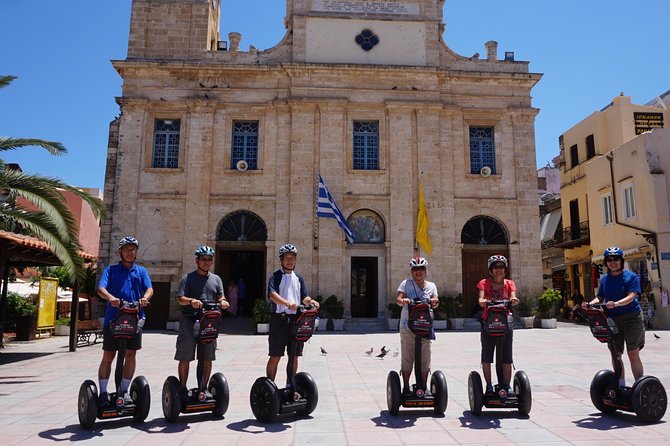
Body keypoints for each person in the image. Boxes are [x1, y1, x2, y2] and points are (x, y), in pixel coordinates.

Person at [96, 236, 154, 404]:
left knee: (131, 354)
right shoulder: (111, 270)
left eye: (133, 249)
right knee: (109, 355)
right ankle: (103, 393)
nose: (130, 252)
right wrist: (110, 298)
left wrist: (144, 298)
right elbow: (101, 288)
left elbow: (149, 288)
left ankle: (124, 390)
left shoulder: (141, 271)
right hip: (114, 318)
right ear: (120, 251)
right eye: (127, 249)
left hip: (135, 317)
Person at [584, 246, 644, 388]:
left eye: (616, 259)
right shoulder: (605, 279)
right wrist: (589, 304)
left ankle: (640, 387)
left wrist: (616, 304)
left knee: (633, 353)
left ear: (621, 260)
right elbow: (600, 297)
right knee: (616, 355)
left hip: (632, 318)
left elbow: (632, 296)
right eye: (609, 260)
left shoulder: (631, 277)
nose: (612, 262)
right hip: (612, 320)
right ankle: (620, 385)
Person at [175, 245, 228, 398]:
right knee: (185, 356)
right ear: (197, 261)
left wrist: (223, 302)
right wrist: (191, 301)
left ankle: (203, 387)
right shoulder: (188, 278)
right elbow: (180, 299)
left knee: (207, 357)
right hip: (189, 321)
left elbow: (221, 296)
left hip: (208, 322)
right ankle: (183, 389)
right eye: (203, 259)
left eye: (209, 260)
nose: (206, 262)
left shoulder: (216, 279)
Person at [266, 244, 319, 384]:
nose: (290, 261)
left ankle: (290, 384)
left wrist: (311, 301)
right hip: (279, 320)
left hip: (296, 320)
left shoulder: (299, 278)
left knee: (294, 356)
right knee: (275, 355)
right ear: (281, 260)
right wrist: (287, 304)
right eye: (287, 258)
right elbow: (272, 295)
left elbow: (304, 297)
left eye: (293, 258)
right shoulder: (275, 276)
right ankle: (270, 385)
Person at [395, 256, 439, 394]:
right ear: (411, 271)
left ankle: (423, 387)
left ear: (425, 271)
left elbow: (436, 300)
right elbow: (398, 299)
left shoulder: (431, 286)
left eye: (421, 269)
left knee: (425, 357)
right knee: (407, 356)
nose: (418, 272)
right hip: (407, 325)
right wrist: (404, 300)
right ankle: (406, 387)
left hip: (425, 325)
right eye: (415, 269)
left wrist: (434, 301)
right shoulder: (406, 284)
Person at [477, 254, 519, 396]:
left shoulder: (509, 283)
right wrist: (482, 301)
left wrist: (513, 299)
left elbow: (513, 295)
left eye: (501, 267)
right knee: (487, 355)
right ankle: (488, 385)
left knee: (507, 355)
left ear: (505, 269)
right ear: (491, 270)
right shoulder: (484, 283)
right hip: (488, 322)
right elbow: (481, 298)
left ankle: (506, 385)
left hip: (506, 323)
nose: (498, 270)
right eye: (495, 267)